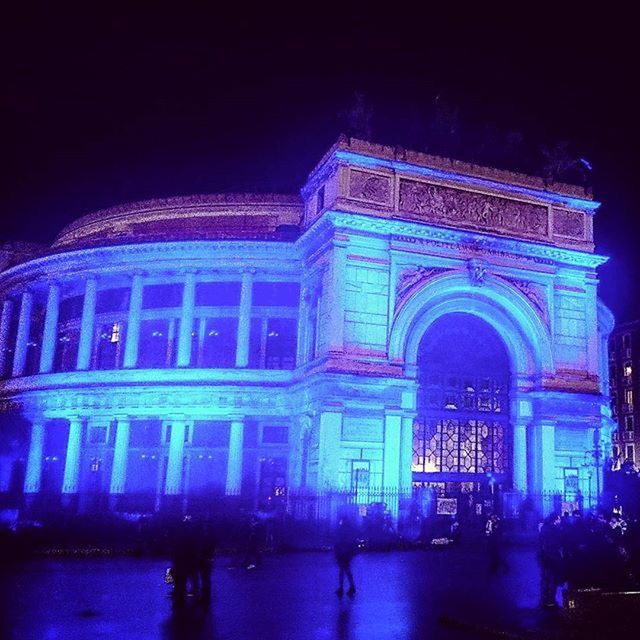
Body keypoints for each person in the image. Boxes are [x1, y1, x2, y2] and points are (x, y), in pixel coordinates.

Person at [538, 512, 564, 607]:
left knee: (545, 578)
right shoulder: (556, 529)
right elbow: (559, 544)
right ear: (555, 519)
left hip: (544, 557)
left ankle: (543, 599)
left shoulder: (544, 528)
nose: (560, 520)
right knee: (553, 579)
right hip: (553, 557)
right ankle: (550, 600)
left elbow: (540, 542)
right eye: (558, 519)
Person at [334, 517, 358, 597]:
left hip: (342, 553)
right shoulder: (349, 532)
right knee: (346, 570)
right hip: (346, 553)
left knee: (343, 570)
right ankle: (351, 586)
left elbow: (338, 542)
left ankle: (343, 587)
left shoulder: (341, 531)